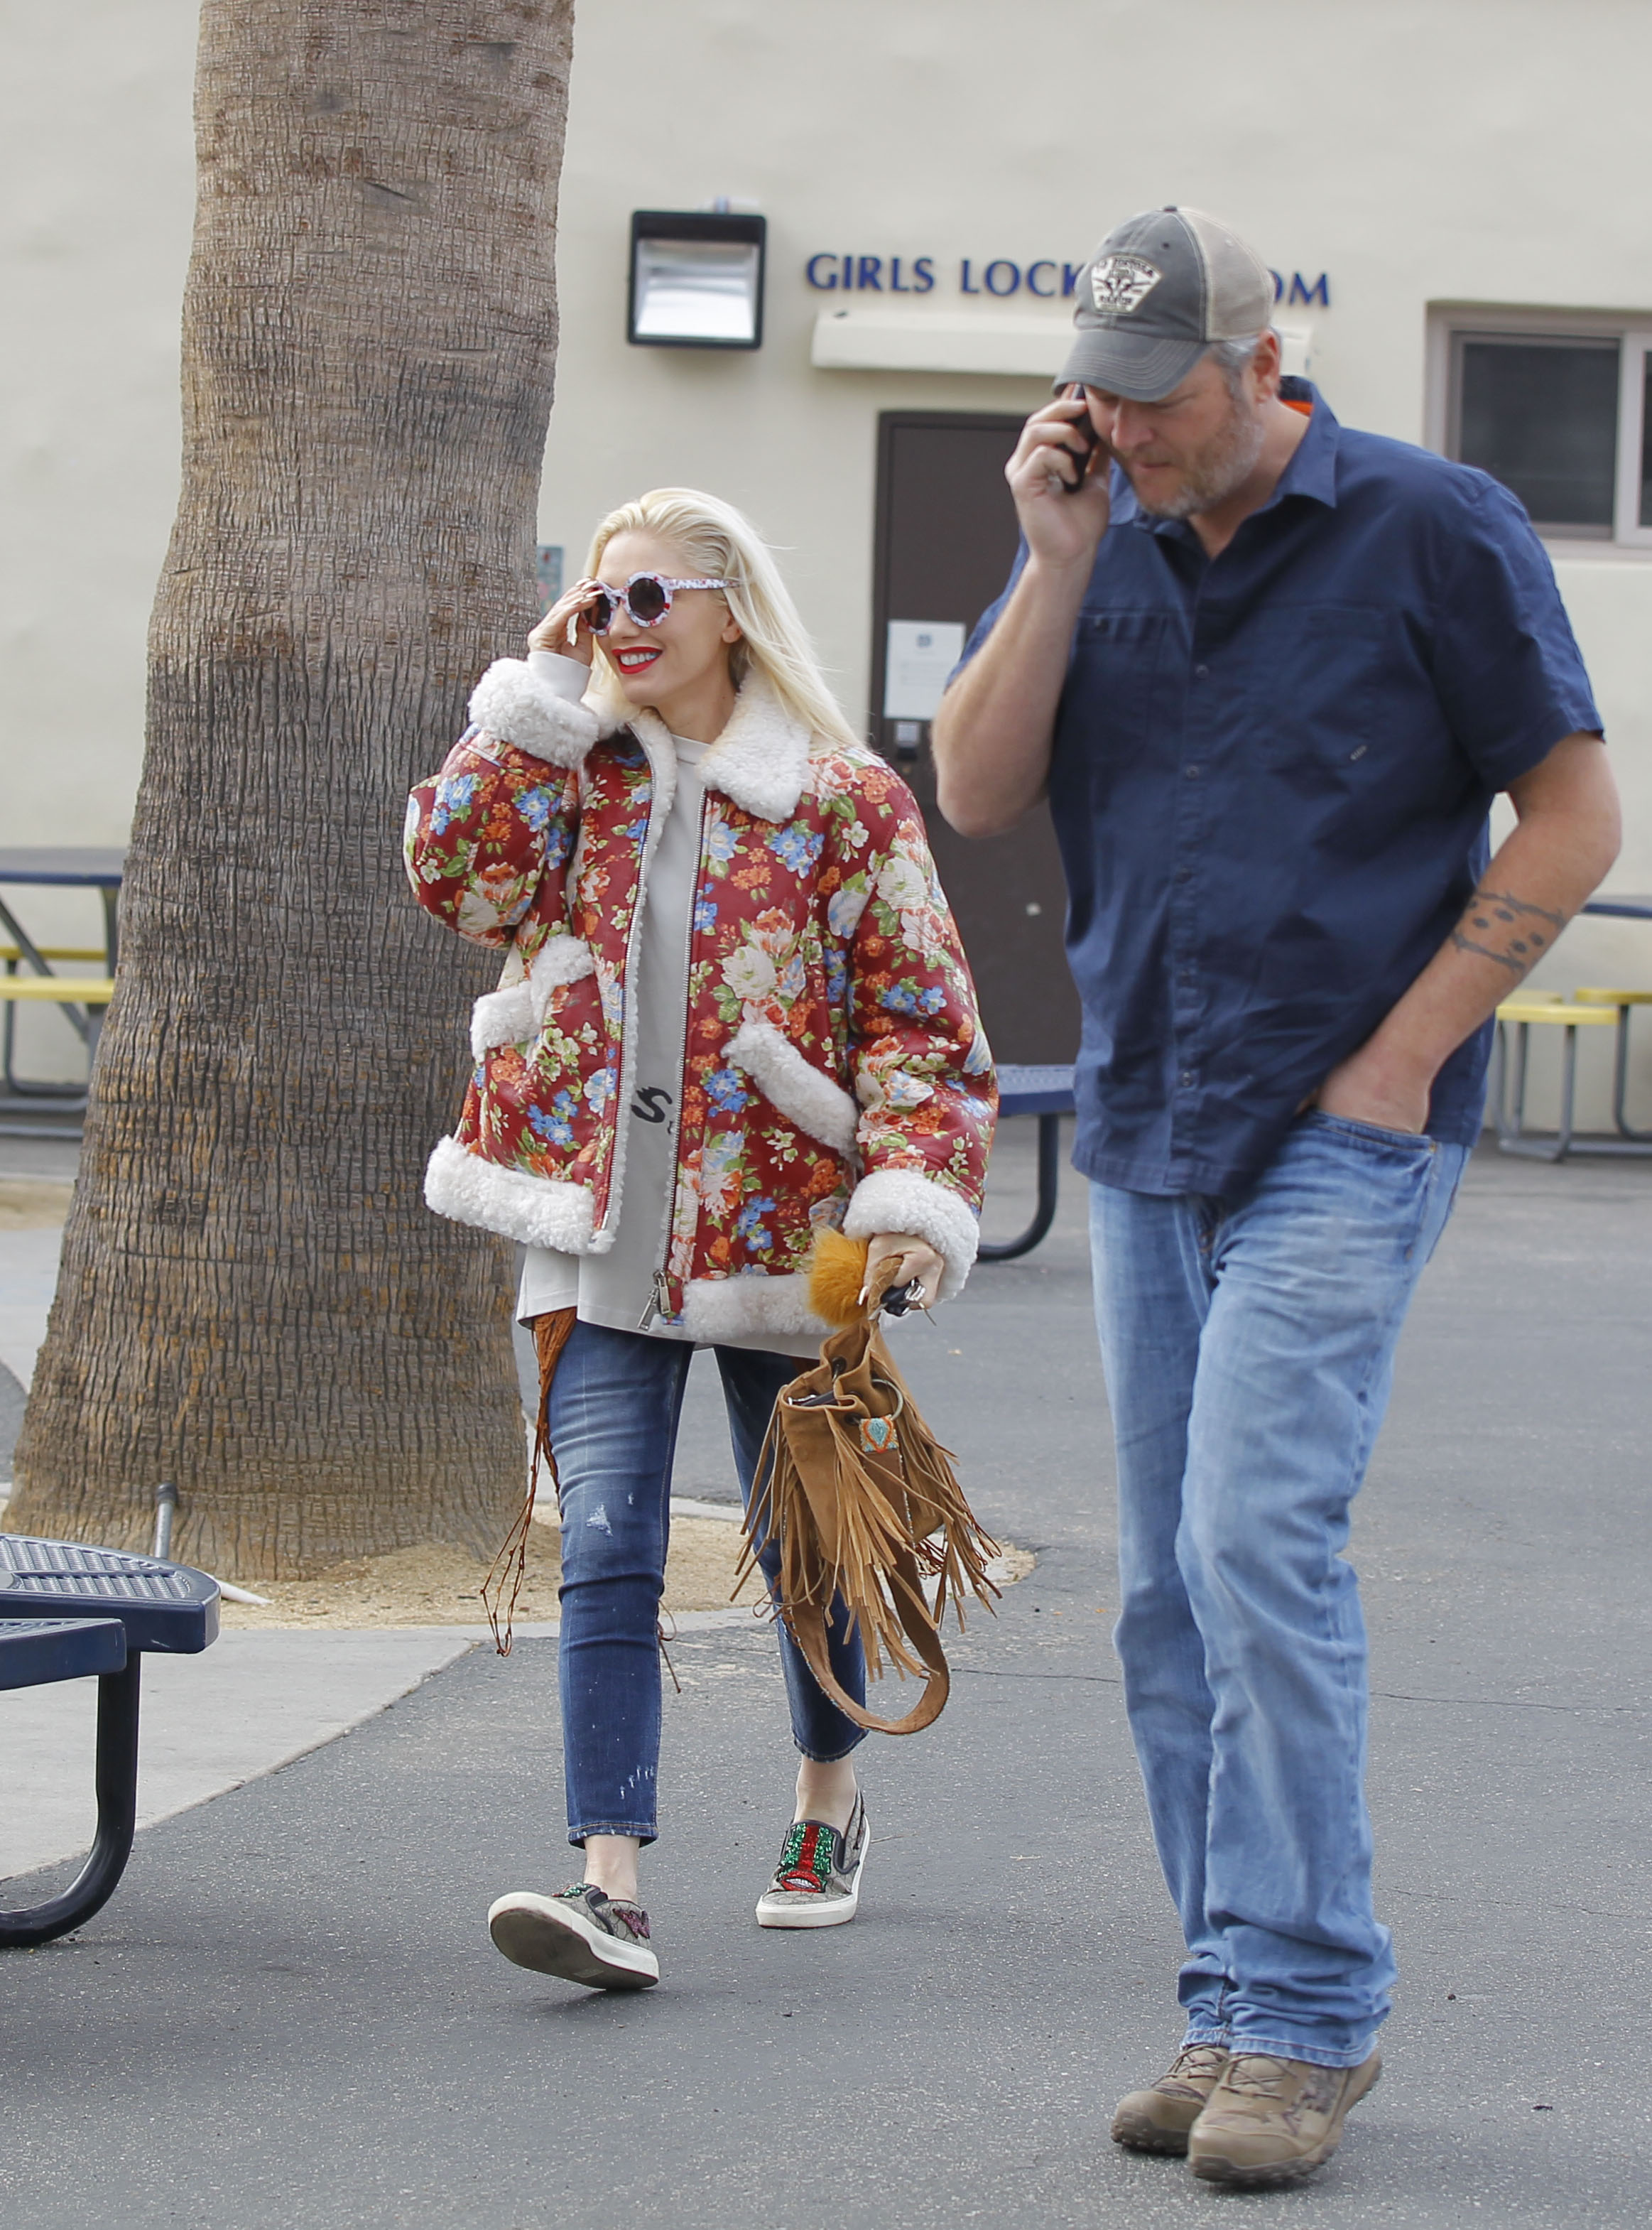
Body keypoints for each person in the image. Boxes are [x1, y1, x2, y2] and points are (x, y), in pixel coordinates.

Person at [932, 206, 1619, 2186]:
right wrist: (1056, 558)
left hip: (1337, 1121)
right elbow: (974, 789)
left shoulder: (1431, 521)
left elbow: (1570, 809)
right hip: (1147, 1114)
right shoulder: (1090, 526)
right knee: (1160, 1589)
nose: (1127, 430)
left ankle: (1310, 2013)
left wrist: (1404, 1055)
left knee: (1252, 1543)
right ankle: (1228, 1991)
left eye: (1160, 397)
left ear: (1256, 364)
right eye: (1103, 396)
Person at [404, 487, 995, 1992]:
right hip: (596, 1229)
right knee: (603, 1546)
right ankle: (608, 1884)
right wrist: (532, 703)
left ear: (733, 608)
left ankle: (825, 1801)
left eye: (652, 597)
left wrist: (913, 1204)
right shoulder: (568, 772)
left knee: (805, 1542)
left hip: (779, 1233)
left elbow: (923, 1025)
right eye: (600, 602)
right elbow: (456, 883)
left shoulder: (846, 798)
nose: (622, 627)